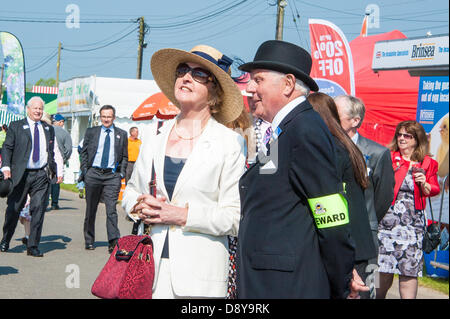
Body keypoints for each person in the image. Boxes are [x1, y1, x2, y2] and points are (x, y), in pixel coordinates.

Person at [122, 44, 245, 299]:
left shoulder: (229, 142)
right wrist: (139, 206)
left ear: (214, 91)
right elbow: (131, 191)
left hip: (201, 280)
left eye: (199, 74)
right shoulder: (154, 135)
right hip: (150, 270)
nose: (186, 77)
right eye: (182, 70)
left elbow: (234, 218)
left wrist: (181, 215)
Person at [236, 40, 355, 299]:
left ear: (288, 84)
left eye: (258, 80)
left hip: (287, 287)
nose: (249, 89)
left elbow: (331, 216)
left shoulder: (306, 129)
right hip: (267, 281)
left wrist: (341, 281)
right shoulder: (283, 130)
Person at [308, 92, 377, 299]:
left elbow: (379, 196)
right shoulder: (344, 145)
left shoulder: (332, 150)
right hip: (356, 243)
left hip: (348, 244)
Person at [334, 94, 395, 298]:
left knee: (366, 290)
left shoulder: (378, 153)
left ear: (355, 121)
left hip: (366, 238)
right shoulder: (326, 148)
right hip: (333, 232)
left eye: (337, 115)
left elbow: (384, 196)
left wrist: (365, 219)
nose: (331, 119)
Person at [376, 120, 440, 299]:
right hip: (386, 224)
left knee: (409, 272)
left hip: (413, 226)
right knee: (381, 272)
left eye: (407, 135)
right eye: (399, 134)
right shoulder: (387, 157)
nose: (402, 138)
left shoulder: (428, 163)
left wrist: (425, 183)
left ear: (417, 139)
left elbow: (434, 189)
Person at [0, 96, 57, 257]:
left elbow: (51, 151)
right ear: (28, 109)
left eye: (40, 109)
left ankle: (33, 245)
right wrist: (5, 166)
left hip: (40, 174)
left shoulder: (48, 129)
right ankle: (5, 239)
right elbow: (7, 148)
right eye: (35, 108)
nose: (38, 111)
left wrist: (54, 169)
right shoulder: (16, 126)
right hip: (21, 174)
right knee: (14, 209)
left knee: (38, 209)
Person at [79, 105, 128, 253]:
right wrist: (86, 171)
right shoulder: (91, 132)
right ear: (100, 117)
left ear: (114, 117)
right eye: (104, 116)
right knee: (91, 209)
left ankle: (113, 241)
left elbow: (125, 156)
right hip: (93, 174)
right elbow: (84, 152)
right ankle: (89, 239)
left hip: (112, 176)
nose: (106, 119)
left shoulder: (122, 134)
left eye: (109, 116)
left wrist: (121, 173)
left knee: (111, 210)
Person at [48, 113, 72, 210]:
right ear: (60, 122)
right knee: (56, 181)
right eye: (62, 122)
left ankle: (44, 201)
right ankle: (54, 203)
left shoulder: (46, 130)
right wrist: (64, 158)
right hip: (58, 161)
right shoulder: (64, 133)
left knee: (45, 181)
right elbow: (69, 148)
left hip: (46, 160)